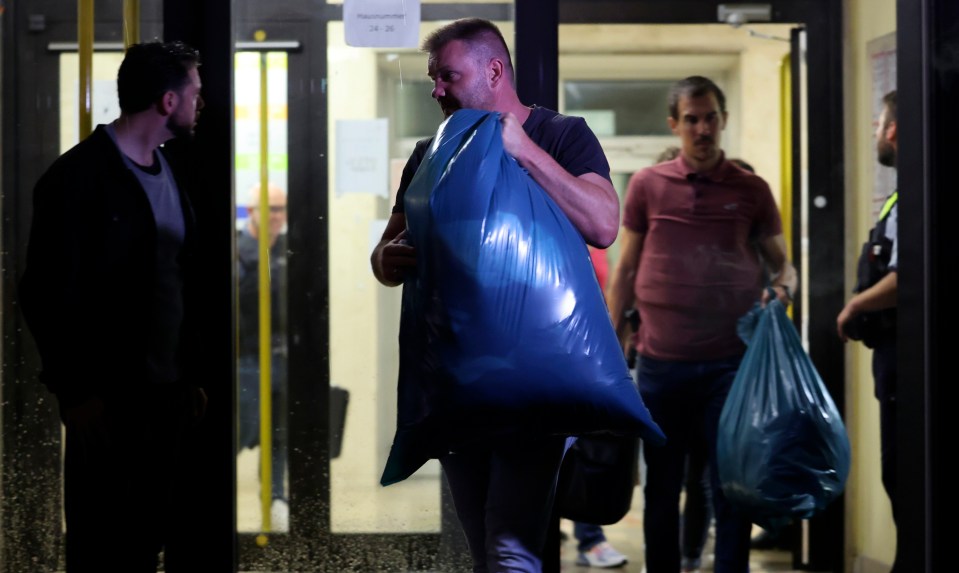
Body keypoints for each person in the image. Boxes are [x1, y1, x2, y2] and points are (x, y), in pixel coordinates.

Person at [370, 18, 620, 572]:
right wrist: (384, 260)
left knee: (509, 545)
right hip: (457, 384)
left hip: (536, 382)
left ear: (493, 70)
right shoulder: (430, 153)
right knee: (488, 542)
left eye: (448, 76)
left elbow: (603, 224)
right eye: (433, 79)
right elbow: (388, 251)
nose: (436, 90)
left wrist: (522, 149)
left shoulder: (561, 135)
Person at [18, 41, 206, 571]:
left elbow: (176, 281)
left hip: (165, 396)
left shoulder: (173, 170)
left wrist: (187, 373)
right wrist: (75, 391)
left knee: (148, 539)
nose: (201, 103)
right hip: (106, 401)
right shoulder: (78, 177)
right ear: (169, 102)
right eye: (196, 92)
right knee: (101, 543)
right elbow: (45, 290)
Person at [606, 75, 797, 573]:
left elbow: (784, 264)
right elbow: (625, 268)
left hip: (728, 367)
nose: (702, 128)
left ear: (723, 120)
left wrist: (784, 289)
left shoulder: (751, 190)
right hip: (659, 364)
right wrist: (609, 345)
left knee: (728, 487)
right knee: (663, 490)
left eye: (711, 117)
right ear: (675, 124)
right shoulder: (648, 185)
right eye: (691, 119)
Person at [837, 89, 899, 573]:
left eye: (879, 123)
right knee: (897, 475)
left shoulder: (914, 197)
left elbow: (906, 275)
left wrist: (855, 303)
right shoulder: (901, 196)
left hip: (905, 359)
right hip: (892, 360)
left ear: (893, 130)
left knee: (903, 473)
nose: (876, 131)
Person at [569, 247, 630, 569]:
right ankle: (588, 538)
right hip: (554, 351)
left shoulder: (595, 238)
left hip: (588, 349)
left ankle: (589, 537)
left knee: (586, 446)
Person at [237, 181, 289, 529]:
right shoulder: (238, 250)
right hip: (247, 360)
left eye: (281, 209)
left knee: (281, 435)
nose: (276, 217)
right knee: (241, 431)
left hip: (284, 358)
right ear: (252, 211)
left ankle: (275, 499)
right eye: (269, 209)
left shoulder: (291, 248)